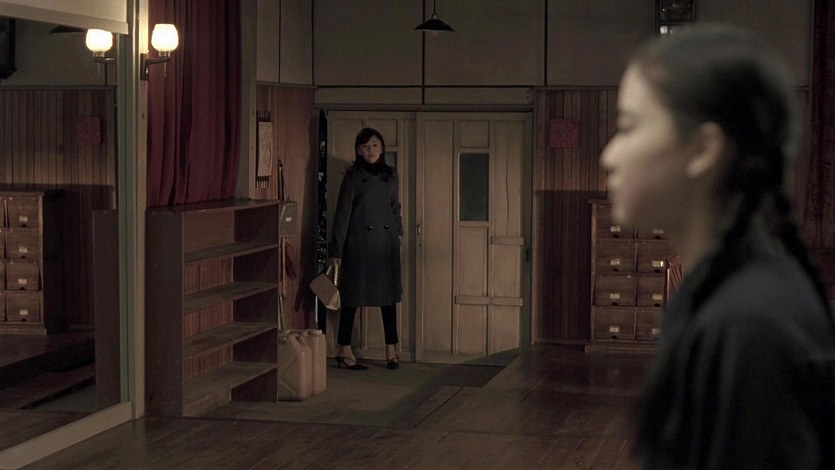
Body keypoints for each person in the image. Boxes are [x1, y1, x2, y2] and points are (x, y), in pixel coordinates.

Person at [600, 25, 835, 468]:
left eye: (628, 128)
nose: (608, 156)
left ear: (703, 149)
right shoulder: (715, 290)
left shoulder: (751, 324)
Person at [328, 127, 403, 370]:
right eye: (365, 146)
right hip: (359, 245)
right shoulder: (352, 178)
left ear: (382, 148)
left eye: (374, 145)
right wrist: (336, 250)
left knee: (388, 299)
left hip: (385, 245)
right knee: (352, 297)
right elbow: (342, 215)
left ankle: (391, 350)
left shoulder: (391, 176)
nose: (370, 150)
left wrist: (397, 232)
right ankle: (344, 349)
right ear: (358, 151)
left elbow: (395, 206)